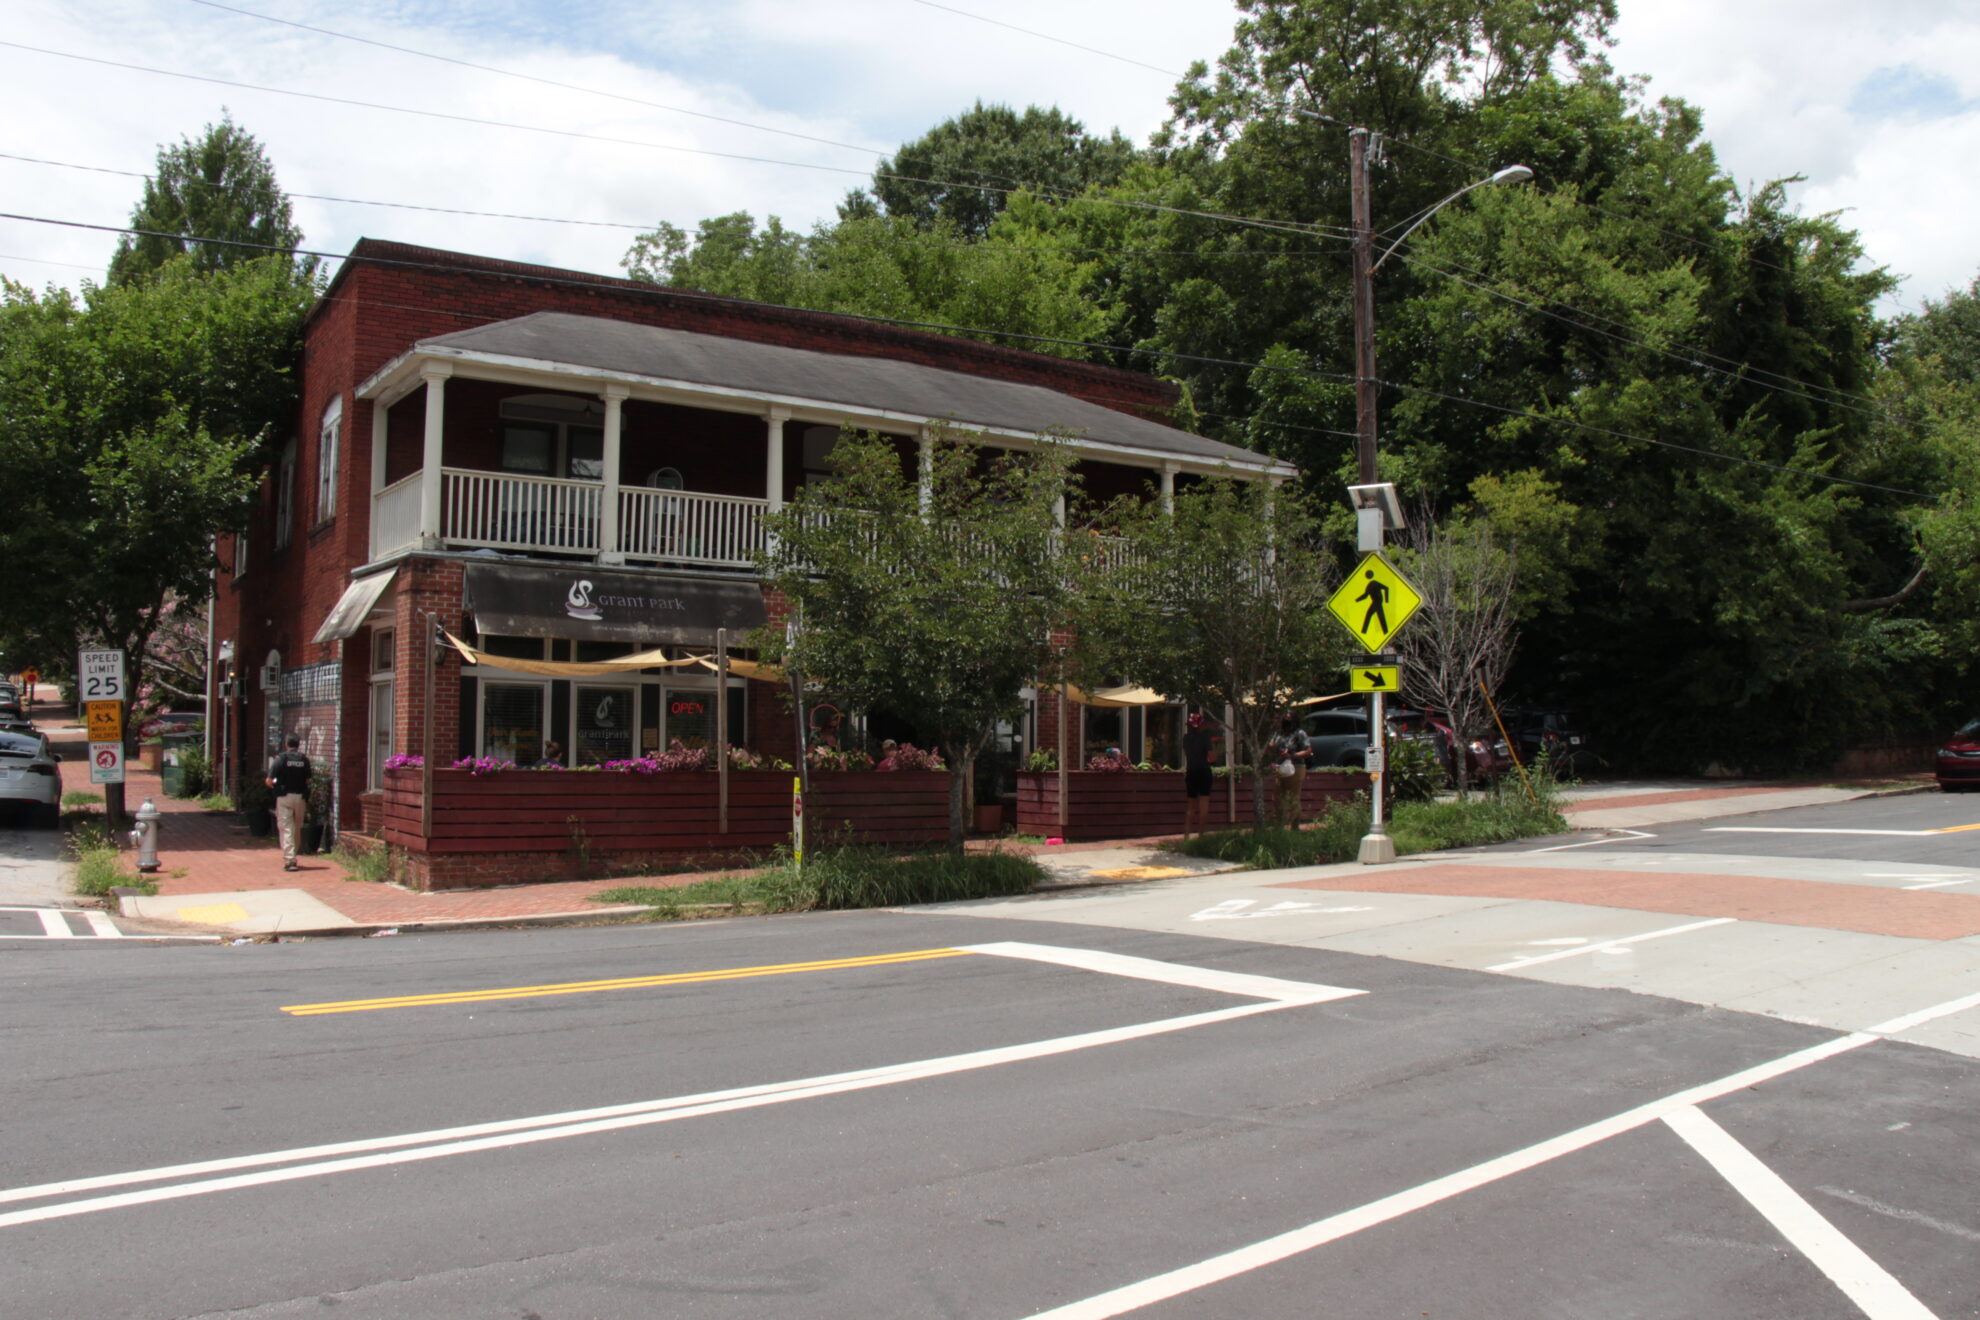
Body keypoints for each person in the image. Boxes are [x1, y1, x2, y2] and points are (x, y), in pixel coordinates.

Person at [265, 735, 313, 872]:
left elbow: (269, 781)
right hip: (300, 797)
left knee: (286, 828)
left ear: (286, 744)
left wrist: (276, 784)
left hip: (284, 797)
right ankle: (293, 854)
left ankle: (290, 860)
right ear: (298, 745)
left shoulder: (280, 759)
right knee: (296, 827)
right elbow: (308, 780)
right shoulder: (304, 760)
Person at [1266, 714, 1312, 828]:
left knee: (1293, 797)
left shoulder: (1299, 733)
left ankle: (1295, 826)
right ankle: (1279, 826)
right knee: (1278, 797)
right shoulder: (1279, 734)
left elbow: (1308, 750)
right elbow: (1270, 745)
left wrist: (1293, 755)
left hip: (1295, 767)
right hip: (1280, 767)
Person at [1181, 713, 1216, 838]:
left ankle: (1187, 834)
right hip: (1203, 771)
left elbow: (1186, 754)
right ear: (1201, 725)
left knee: (1190, 805)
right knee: (1203, 804)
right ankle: (1201, 834)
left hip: (1191, 771)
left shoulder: (1186, 738)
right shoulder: (1205, 738)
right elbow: (1212, 758)